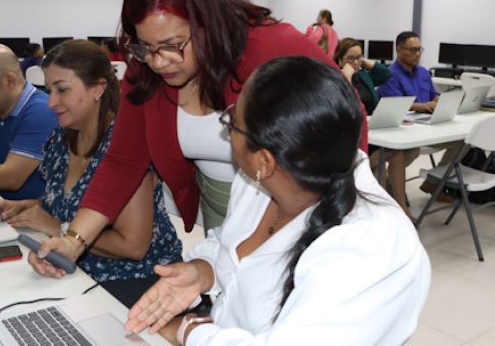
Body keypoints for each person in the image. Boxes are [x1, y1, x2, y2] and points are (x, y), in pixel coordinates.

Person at [26, 0, 370, 278]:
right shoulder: (147, 65)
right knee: (227, 291)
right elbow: (123, 161)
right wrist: (73, 241)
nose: (158, 62)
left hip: (298, 204)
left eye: (173, 45)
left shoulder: (271, 48)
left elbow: (345, 117)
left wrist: (336, 208)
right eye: (144, 47)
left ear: (210, 23)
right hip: (223, 209)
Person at [124, 57, 431, 345]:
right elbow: (229, 244)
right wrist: (202, 272)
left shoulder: (372, 250)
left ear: (265, 160)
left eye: (232, 120)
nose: (227, 125)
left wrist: (189, 330)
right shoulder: (258, 181)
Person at [0, 40, 182, 307]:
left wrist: (51, 225)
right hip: (81, 271)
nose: (51, 103)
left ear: (98, 88)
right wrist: (21, 207)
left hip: (137, 280)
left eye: (62, 90)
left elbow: (133, 246)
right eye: (48, 91)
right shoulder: (61, 139)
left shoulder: (126, 148)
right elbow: (60, 201)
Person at [334, 38, 413, 219]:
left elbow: (385, 74)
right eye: (350, 58)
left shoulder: (362, 75)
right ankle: (381, 209)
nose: (355, 63)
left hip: (374, 131)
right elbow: (340, 99)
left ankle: (401, 208)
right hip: (352, 139)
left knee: (397, 152)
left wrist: (364, 62)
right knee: (385, 156)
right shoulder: (336, 77)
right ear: (339, 59)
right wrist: (345, 75)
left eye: (358, 58)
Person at [378, 31, 462, 202]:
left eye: (419, 50)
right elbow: (395, 104)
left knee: (461, 143)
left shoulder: (423, 73)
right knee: (412, 150)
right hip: (406, 128)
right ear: (399, 49)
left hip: (428, 125)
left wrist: (439, 102)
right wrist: (423, 106)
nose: (417, 54)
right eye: (412, 50)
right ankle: (390, 182)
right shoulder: (389, 75)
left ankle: (433, 183)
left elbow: (434, 95)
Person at [0, 43, 58, 200]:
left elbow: (11, 177)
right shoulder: (0, 104)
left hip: (26, 218)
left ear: (9, 81)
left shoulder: (41, 111)